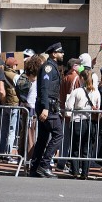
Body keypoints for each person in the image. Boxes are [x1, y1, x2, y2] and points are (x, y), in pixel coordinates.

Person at [30, 42, 64, 178]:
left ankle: (35, 167)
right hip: (48, 106)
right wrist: (45, 108)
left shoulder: (53, 66)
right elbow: (44, 88)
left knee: (43, 137)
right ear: (54, 53)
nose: (63, 54)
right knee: (58, 134)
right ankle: (44, 165)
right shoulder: (49, 67)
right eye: (60, 52)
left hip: (49, 105)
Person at [65, 69, 100, 179]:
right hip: (90, 122)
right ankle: (85, 173)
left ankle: (75, 171)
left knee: (75, 147)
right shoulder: (96, 92)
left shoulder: (77, 91)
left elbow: (69, 106)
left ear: (82, 79)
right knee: (86, 148)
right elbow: (98, 107)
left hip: (77, 121)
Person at [57, 58, 82, 171]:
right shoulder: (75, 78)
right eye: (79, 65)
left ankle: (61, 162)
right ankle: (72, 165)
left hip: (64, 110)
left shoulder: (65, 78)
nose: (81, 67)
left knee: (65, 139)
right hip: (73, 112)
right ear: (74, 66)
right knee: (73, 140)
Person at [0, 57, 21, 163]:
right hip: (13, 105)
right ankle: (7, 154)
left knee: (4, 130)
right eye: (16, 64)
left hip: (5, 104)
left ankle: (1, 152)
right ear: (13, 65)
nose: (17, 66)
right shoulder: (15, 76)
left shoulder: (1, 73)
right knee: (11, 131)